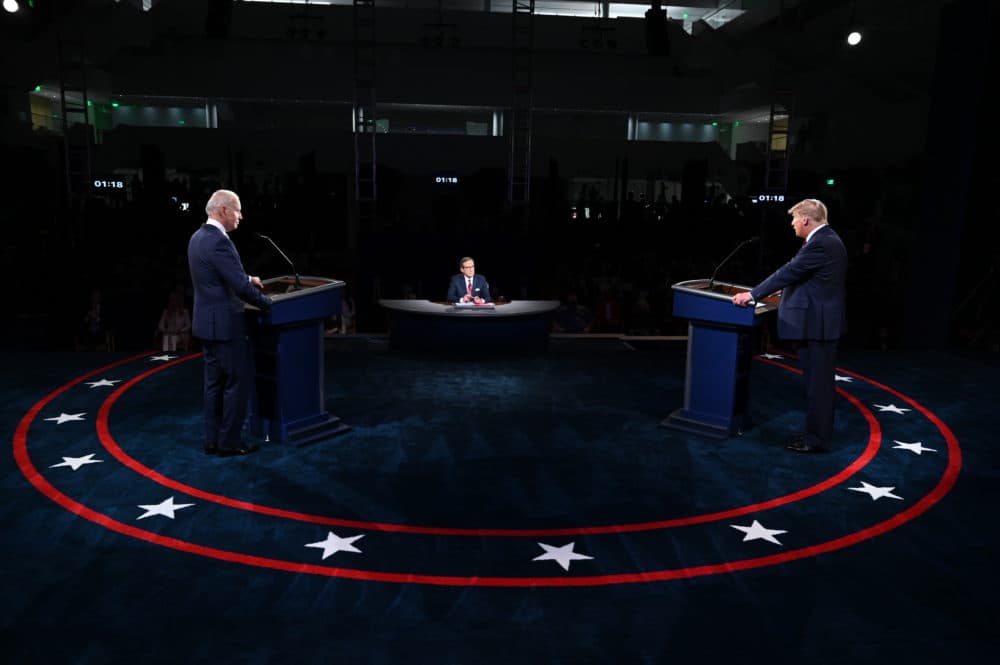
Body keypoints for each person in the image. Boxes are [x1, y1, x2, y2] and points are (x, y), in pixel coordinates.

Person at [731, 198, 847, 453]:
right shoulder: (825, 240)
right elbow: (808, 279)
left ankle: (816, 439)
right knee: (816, 385)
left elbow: (790, 271)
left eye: (794, 219)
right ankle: (814, 434)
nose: (792, 224)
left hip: (819, 327)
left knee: (819, 387)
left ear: (805, 219)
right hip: (818, 324)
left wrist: (753, 295)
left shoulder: (822, 243)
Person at [188, 189, 273, 457]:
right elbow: (239, 288)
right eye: (237, 210)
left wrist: (248, 277)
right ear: (223, 210)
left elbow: (217, 274)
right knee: (238, 381)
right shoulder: (220, 242)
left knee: (214, 385)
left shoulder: (198, 237)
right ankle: (230, 442)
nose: (241, 216)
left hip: (206, 324)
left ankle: (212, 440)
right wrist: (271, 304)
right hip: (227, 326)